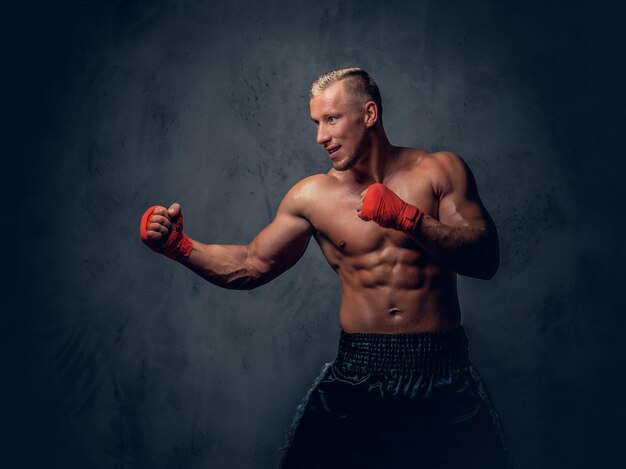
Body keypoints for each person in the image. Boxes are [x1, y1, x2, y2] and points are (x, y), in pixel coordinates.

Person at [139, 67, 514, 468]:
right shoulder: (312, 196)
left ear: (368, 114)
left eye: (331, 120)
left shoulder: (439, 171)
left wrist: (411, 219)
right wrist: (180, 247)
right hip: (359, 373)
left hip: (442, 372)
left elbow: (485, 257)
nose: (321, 136)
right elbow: (252, 264)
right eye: (316, 123)